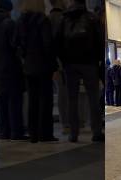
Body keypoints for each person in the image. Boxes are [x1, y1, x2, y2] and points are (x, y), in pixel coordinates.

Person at [56, 0, 103, 143]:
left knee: (72, 99)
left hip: (70, 65)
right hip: (89, 64)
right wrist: (98, 61)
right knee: (93, 98)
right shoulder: (92, 18)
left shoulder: (64, 19)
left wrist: (64, 62)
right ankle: (96, 132)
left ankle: (73, 134)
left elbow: (58, 42)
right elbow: (100, 41)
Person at [16, 0, 58, 143]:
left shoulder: (20, 21)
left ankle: (33, 134)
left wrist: (24, 59)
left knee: (32, 101)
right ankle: (45, 134)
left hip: (28, 66)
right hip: (43, 65)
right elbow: (48, 44)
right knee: (45, 100)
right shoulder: (42, 20)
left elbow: (18, 45)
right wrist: (53, 65)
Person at [0, 0, 27, 140]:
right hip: (10, 68)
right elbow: (15, 46)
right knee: (14, 101)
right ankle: (16, 132)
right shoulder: (9, 24)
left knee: (1, 102)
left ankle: (4, 131)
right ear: (8, 10)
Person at [48, 0, 69, 134]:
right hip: (62, 62)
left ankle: (66, 123)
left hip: (57, 62)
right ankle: (66, 123)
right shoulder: (61, 18)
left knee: (63, 92)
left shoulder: (50, 18)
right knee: (64, 92)